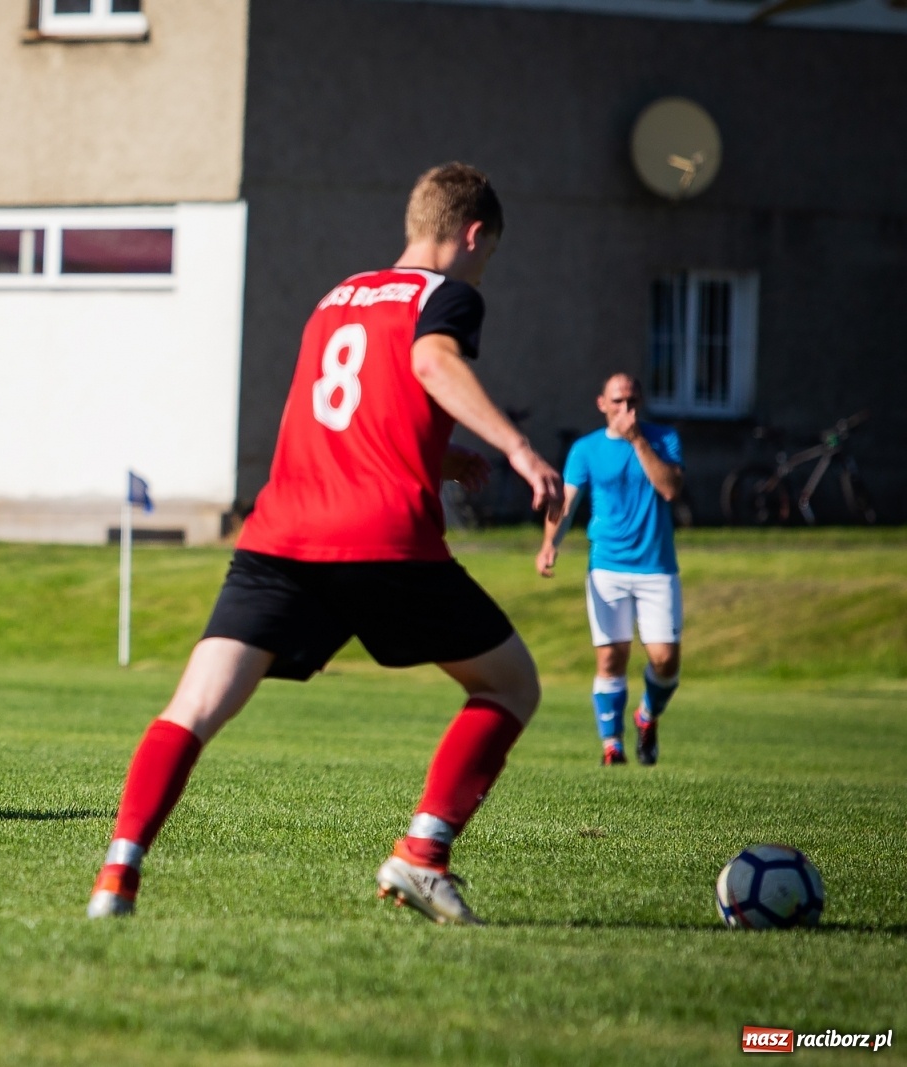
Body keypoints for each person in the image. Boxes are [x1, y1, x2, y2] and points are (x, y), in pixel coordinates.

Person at [86, 163, 564, 926]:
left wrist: (442, 457)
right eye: (487, 254)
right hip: (381, 538)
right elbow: (431, 362)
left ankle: (117, 873)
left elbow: (347, 413)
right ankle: (422, 855)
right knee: (510, 684)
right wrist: (516, 447)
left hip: (281, 532)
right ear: (472, 234)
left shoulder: (336, 298)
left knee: (194, 705)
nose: (482, 270)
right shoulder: (449, 295)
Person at [537, 373, 683, 766]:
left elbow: (670, 489)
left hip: (656, 567)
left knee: (665, 660)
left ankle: (646, 717)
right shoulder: (585, 449)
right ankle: (611, 746)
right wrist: (550, 544)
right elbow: (566, 503)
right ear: (602, 403)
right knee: (610, 657)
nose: (626, 410)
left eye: (632, 401)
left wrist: (637, 441)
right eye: (618, 401)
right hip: (607, 565)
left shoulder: (663, 439)